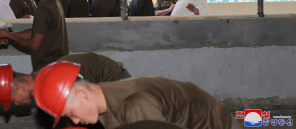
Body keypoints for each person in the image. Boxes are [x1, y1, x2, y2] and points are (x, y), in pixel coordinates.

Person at [33, 62, 240, 129]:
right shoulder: (107, 104)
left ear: (80, 93)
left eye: (71, 113)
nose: (76, 121)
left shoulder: (135, 107)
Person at [0, 53, 131, 109]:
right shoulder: (42, 83)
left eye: (12, 100)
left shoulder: (51, 85)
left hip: (116, 84)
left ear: (21, 87)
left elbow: (83, 111)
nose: (15, 103)